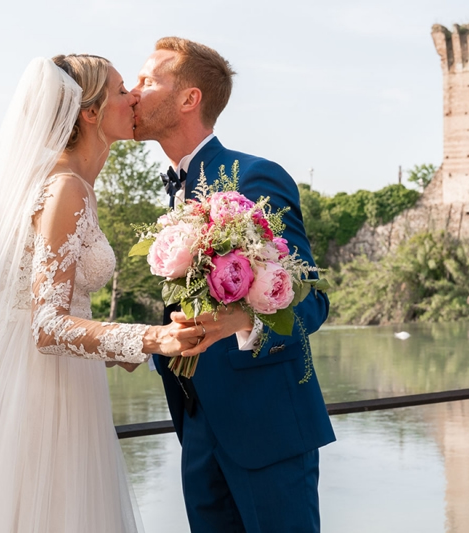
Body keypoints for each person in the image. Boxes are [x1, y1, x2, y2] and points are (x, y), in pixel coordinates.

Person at [0, 54, 206, 532]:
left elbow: (53, 306)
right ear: (89, 112)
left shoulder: (75, 183)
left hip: (62, 379)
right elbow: (45, 326)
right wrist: (151, 339)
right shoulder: (65, 187)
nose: (134, 98)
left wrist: (114, 350)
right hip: (38, 393)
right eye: (122, 88)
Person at [131, 37, 335, 533]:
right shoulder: (176, 188)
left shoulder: (254, 178)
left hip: (267, 428)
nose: (134, 91)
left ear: (188, 98)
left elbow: (312, 298)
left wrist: (243, 321)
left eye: (147, 80)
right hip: (198, 428)